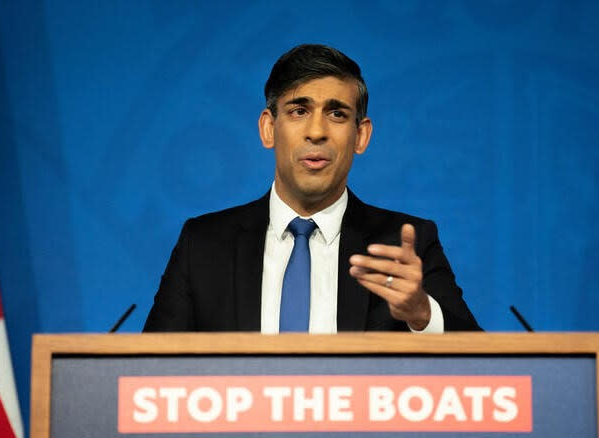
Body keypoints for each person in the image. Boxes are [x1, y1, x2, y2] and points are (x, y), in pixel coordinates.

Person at [144, 44, 479, 335]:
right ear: (268, 129)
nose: (316, 131)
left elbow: (484, 369)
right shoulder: (202, 245)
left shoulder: (404, 244)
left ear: (360, 136)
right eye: (299, 111)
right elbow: (148, 377)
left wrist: (421, 313)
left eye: (336, 113)